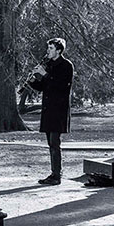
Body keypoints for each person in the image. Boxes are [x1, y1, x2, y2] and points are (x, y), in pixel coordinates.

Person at [29, 38, 74, 185]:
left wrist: (45, 74)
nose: (48, 51)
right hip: (48, 109)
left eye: (51, 48)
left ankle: (56, 175)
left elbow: (62, 86)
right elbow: (44, 87)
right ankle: (54, 173)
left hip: (59, 109)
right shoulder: (49, 65)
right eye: (48, 48)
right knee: (50, 143)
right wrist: (33, 81)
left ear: (59, 50)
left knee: (55, 142)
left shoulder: (67, 65)